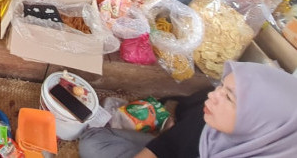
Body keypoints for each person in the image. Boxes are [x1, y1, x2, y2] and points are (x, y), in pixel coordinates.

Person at [78, 61, 297, 158]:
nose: (212, 95)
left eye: (228, 96)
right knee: (93, 142)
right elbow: (166, 146)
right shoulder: (209, 122)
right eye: (221, 86)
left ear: (259, 121)